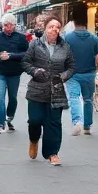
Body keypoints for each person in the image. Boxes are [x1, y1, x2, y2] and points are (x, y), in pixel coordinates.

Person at [22, 17, 75, 165]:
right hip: (36, 90)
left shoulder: (65, 47)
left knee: (54, 123)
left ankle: (52, 153)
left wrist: (63, 76)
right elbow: (25, 62)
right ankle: (33, 139)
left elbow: (71, 67)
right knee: (35, 120)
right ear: (45, 28)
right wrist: (34, 71)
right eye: (51, 26)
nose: (54, 29)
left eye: (57, 27)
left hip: (56, 91)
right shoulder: (35, 44)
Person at [63, 6, 98, 136]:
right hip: (89, 74)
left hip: (73, 74)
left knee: (74, 98)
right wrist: (97, 69)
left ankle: (77, 122)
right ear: (86, 21)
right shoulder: (93, 38)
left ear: (73, 21)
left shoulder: (68, 38)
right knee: (88, 99)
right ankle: (87, 126)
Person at [0, 13, 29, 134]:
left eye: (10, 25)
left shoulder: (21, 38)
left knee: (13, 98)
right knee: (0, 98)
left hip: (14, 72)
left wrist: (11, 56)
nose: (7, 27)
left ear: (14, 25)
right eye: (5, 25)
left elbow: (27, 54)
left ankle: (9, 117)